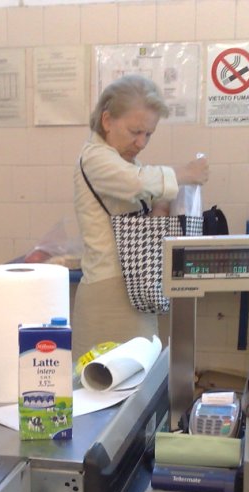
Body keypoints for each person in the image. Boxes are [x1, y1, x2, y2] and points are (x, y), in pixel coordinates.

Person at [72, 74, 209, 361]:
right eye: (135, 131)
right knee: (111, 380)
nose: (142, 142)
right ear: (107, 121)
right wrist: (185, 173)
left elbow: (143, 200)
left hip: (134, 286)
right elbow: (136, 183)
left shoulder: (124, 161)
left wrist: (161, 205)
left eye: (148, 134)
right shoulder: (95, 157)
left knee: (139, 376)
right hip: (109, 293)